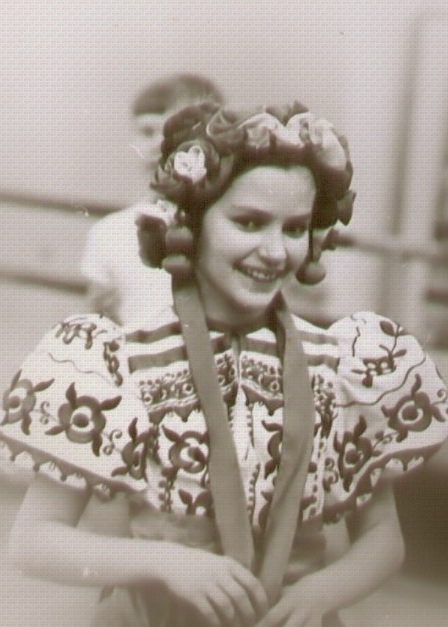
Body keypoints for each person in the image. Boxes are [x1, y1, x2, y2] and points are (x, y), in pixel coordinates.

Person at [1, 101, 448, 627]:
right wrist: (166, 562)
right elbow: (33, 543)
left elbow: (383, 539)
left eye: (294, 228)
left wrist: (322, 592)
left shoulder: (339, 365)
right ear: (191, 222)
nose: (274, 251)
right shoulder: (124, 362)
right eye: (249, 222)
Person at [81, 73, 225, 325]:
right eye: (147, 132)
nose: (158, 145)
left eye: (174, 130)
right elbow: (98, 322)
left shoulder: (229, 226)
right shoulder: (110, 232)